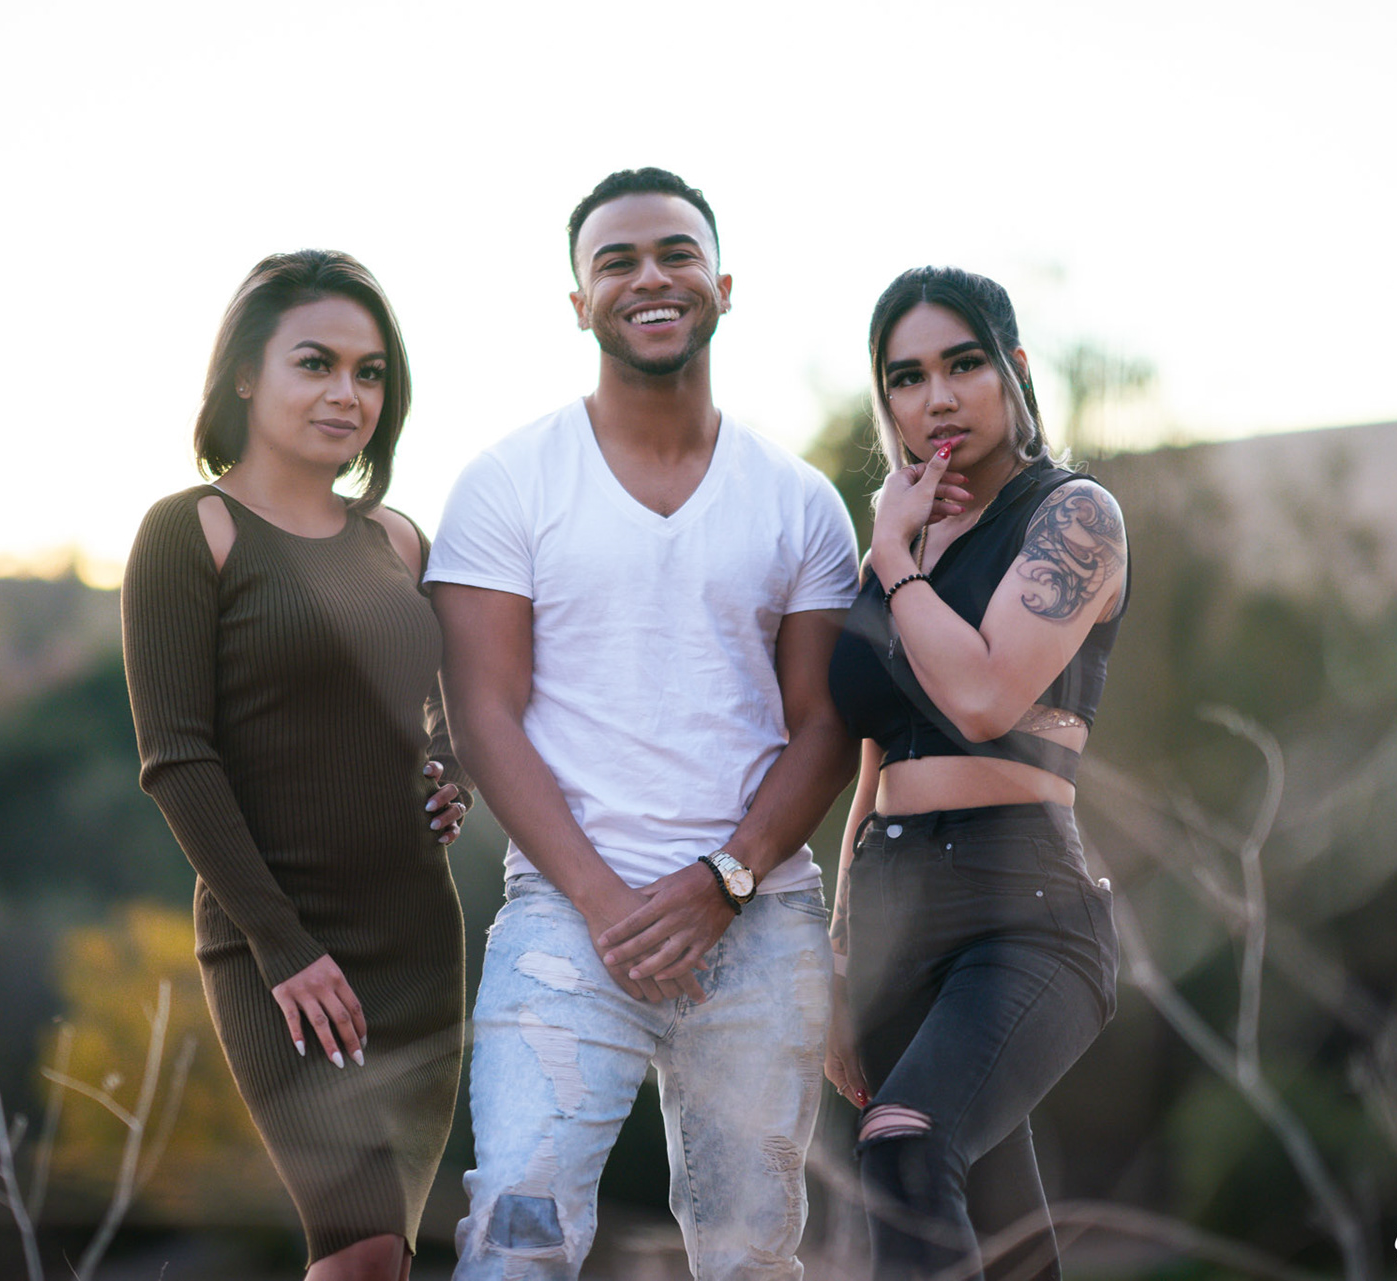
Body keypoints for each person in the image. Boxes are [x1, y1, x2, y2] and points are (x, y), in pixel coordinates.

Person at [426, 167, 860, 1280]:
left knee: (751, 1257)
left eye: (676, 254)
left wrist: (725, 882)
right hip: (567, 924)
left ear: (723, 285)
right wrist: (608, 904)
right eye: (615, 262)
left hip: (758, 923)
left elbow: (824, 722)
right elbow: (484, 714)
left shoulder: (800, 500)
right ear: (579, 302)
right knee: (516, 1233)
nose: (649, 278)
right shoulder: (507, 482)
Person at [121, 250, 471, 1281]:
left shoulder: (398, 541)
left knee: (384, 1259)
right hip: (280, 944)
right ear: (245, 374)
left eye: (369, 373)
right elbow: (176, 759)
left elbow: (439, 702)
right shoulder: (193, 531)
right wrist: (283, 947)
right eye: (315, 363)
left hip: (419, 941)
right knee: (357, 1249)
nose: (346, 393)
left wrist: (448, 767)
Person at [824, 267, 1127, 1281]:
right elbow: (874, 752)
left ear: (1014, 369)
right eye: (907, 377)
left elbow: (986, 697)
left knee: (905, 1147)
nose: (938, 398)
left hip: (1021, 902)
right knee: (1007, 1241)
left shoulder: (1072, 516)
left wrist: (892, 553)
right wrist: (842, 952)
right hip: (892, 909)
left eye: (962, 365)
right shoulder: (905, 543)